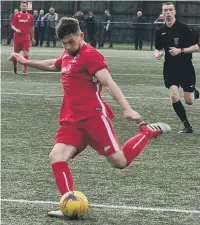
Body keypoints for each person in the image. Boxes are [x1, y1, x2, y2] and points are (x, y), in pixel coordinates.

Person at [9, 17, 171, 217]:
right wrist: (26, 61)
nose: (68, 46)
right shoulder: (68, 53)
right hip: (71, 120)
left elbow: (108, 82)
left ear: (81, 36)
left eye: (72, 42)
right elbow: (55, 65)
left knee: (120, 162)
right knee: (57, 156)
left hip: (94, 118)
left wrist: (126, 109)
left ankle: (147, 133)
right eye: (65, 43)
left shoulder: (91, 55)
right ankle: (68, 206)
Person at [154, 2, 200, 133]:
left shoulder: (184, 28)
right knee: (174, 96)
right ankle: (187, 126)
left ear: (174, 12)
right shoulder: (160, 31)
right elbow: (157, 48)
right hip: (169, 68)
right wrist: (158, 53)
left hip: (185, 67)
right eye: (165, 10)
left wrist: (180, 50)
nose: (168, 13)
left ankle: (195, 93)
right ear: (162, 13)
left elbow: (197, 47)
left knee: (189, 101)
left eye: (170, 10)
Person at [11, 1, 35, 75]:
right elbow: (12, 25)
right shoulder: (16, 15)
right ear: (20, 7)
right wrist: (16, 29)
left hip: (26, 37)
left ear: (27, 7)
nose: (24, 7)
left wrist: (32, 38)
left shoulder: (30, 16)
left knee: (25, 53)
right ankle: (15, 66)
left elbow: (32, 27)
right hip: (17, 38)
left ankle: (24, 70)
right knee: (15, 54)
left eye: (25, 6)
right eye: (22, 6)